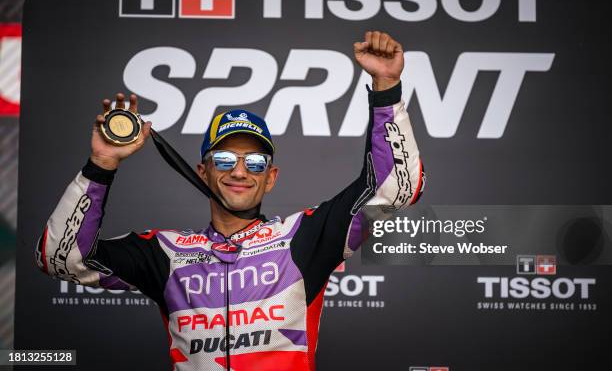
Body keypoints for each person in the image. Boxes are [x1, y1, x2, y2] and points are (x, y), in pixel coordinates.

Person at [35, 31, 425, 371]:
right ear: (202, 172)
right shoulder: (165, 253)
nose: (239, 172)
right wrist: (101, 165)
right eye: (224, 159)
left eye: (255, 162)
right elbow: (60, 258)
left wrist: (386, 88)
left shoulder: (304, 237)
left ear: (269, 179)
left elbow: (395, 189)